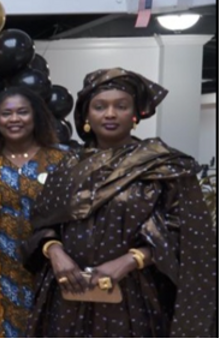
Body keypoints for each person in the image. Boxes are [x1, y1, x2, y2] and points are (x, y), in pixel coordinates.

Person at [25, 68, 216, 337]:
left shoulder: (163, 165)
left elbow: (188, 234)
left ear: (135, 114)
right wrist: (54, 252)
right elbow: (42, 222)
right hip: (70, 293)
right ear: (86, 115)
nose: (110, 114)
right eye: (100, 107)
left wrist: (130, 260)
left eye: (121, 106)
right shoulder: (67, 167)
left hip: (134, 295)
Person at [0, 87, 72, 337]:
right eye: (6, 114)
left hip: (49, 268)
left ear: (35, 116)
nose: (14, 119)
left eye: (22, 112)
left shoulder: (62, 160)